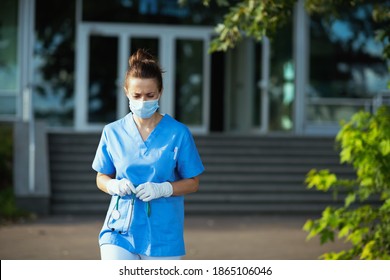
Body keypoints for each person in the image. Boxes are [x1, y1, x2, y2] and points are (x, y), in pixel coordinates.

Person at [92, 49, 204, 260]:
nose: (143, 101)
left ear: (160, 92)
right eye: (136, 95)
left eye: (149, 95)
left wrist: (164, 188)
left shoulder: (178, 133)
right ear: (126, 92)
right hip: (119, 229)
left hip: (162, 235)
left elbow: (193, 182)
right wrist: (112, 185)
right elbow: (101, 177)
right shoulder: (112, 132)